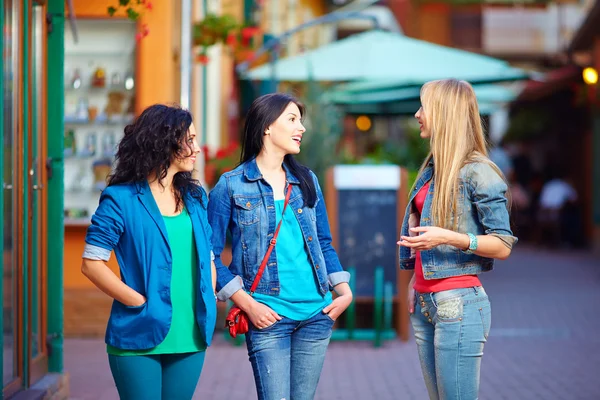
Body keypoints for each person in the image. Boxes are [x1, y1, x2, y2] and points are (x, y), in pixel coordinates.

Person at [208, 93, 353, 400]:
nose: (301, 127)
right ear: (267, 128)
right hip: (267, 315)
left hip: (316, 314)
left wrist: (344, 292)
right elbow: (209, 256)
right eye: (292, 119)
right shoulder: (231, 185)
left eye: (300, 120)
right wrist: (247, 305)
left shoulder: (307, 181)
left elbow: (323, 243)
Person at [81, 104, 217, 400]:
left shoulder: (195, 197)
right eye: (189, 140)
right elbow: (92, 263)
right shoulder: (120, 199)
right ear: (163, 142)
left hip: (191, 334)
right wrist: (139, 301)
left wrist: (209, 293)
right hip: (138, 331)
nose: (196, 148)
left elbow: (207, 256)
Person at [398, 79, 517, 400]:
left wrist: (449, 237)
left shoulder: (478, 171)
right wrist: (414, 281)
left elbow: (502, 244)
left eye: (424, 107)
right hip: (426, 303)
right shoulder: (434, 169)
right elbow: (424, 235)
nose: (417, 114)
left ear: (443, 112)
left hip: (458, 304)